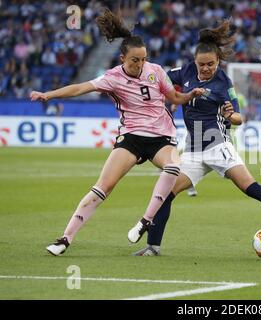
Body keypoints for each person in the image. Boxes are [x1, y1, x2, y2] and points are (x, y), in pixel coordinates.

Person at [127, 20, 261, 256]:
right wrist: (167, 95)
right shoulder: (185, 71)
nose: (206, 68)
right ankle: (152, 247)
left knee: (250, 187)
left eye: (211, 64)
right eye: (202, 64)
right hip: (194, 151)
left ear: (218, 62)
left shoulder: (224, 83)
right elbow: (161, 79)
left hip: (218, 146)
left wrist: (230, 115)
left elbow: (238, 117)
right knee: (165, 194)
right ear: (195, 61)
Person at [30, 9, 204, 256]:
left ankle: (145, 221)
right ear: (123, 58)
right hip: (131, 137)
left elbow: (174, 97)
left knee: (174, 166)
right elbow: (81, 87)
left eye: (143, 59)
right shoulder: (112, 78)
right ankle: (65, 239)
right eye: (135, 60)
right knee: (104, 187)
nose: (140, 64)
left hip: (161, 138)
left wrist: (189, 95)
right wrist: (48, 94)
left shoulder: (156, 71)